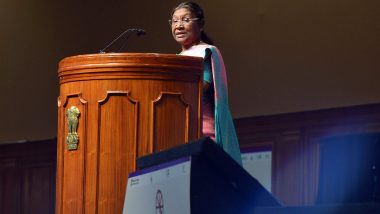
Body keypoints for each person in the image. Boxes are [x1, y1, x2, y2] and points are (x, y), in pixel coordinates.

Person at [169, 2, 242, 165]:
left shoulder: (207, 51)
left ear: (200, 24)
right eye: (174, 21)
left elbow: (203, 85)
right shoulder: (174, 60)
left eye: (185, 20)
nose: (179, 26)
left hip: (205, 134)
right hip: (180, 134)